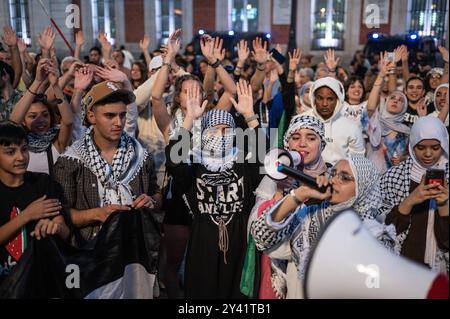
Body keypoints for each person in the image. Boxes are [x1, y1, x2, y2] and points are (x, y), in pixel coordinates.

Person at [165, 79, 263, 298]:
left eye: (226, 129)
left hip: (239, 244)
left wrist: (250, 116)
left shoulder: (242, 163)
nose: (220, 134)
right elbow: (173, 162)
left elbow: (266, 158)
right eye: (214, 130)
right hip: (203, 244)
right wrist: (190, 119)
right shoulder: (195, 165)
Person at [252, 154, 397, 298]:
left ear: (363, 188)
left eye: (344, 178)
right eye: (333, 173)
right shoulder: (310, 217)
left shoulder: (375, 238)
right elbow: (262, 238)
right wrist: (299, 194)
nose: (333, 180)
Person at [52, 81, 161, 247]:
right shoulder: (71, 161)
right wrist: (97, 214)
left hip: (136, 248)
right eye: (110, 116)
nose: (119, 122)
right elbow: (63, 213)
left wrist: (151, 201)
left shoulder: (140, 155)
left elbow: (156, 193)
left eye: (122, 115)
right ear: (91, 116)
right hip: (91, 249)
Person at [248, 114, 328, 299]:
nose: (302, 144)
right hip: (278, 274)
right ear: (287, 144)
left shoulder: (333, 178)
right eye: (296, 137)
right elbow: (258, 231)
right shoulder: (274, 176)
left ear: (321, 144)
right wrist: (279, 192)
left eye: (311, 138)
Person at [0, 121, 69, 284]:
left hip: (41, 278)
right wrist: (26, 215)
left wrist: (54, 228)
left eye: (24, 149)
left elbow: (65, 232)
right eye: (10, 152)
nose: (21, 157)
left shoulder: (42, 183)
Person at [380, 116, 449, 274]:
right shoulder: (394, 176)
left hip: (438, 270)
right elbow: (384, 230)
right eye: (421, 147)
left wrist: (443, 204)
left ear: (444, 146)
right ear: (412, 146)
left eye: (435, 147)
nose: (428, 153)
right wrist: (410, 201)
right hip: (401, 265)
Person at [9, 58, 74, 176]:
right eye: (33, 116)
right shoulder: (18, 142)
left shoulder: (57, 141)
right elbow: (13, 122)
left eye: (45, 115)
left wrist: (56, 86)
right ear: (23, 121)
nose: (41, 120)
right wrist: (37, 81)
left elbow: (68, 121)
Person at [302, 76, 365, 165]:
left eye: (330, 99)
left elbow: (358, 163)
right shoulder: (301, 121)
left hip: (338, 177)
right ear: (313, 98)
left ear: (338, 100)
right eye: (320, 98)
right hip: (304, 176)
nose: (324, 104)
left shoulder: (352, 127)